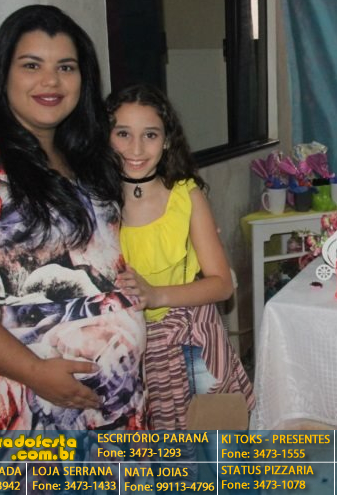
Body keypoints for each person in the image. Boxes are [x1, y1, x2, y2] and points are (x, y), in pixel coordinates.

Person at [0, 5, 145, 430]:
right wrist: (33, 371)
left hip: (108, 404)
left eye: (66, 67)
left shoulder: (84, 159)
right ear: (2, 73)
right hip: (15, 400)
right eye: (32, 65)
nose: (51, 81)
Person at [108, 84, 254, 430]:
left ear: (167, 140)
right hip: (128, 347)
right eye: (123, 134)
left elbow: (222, 284)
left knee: (211, 441)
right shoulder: (94, 203)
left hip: (191, 340)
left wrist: (156, 295)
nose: (136, 149)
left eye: (150, 135)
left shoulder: (186, 196)